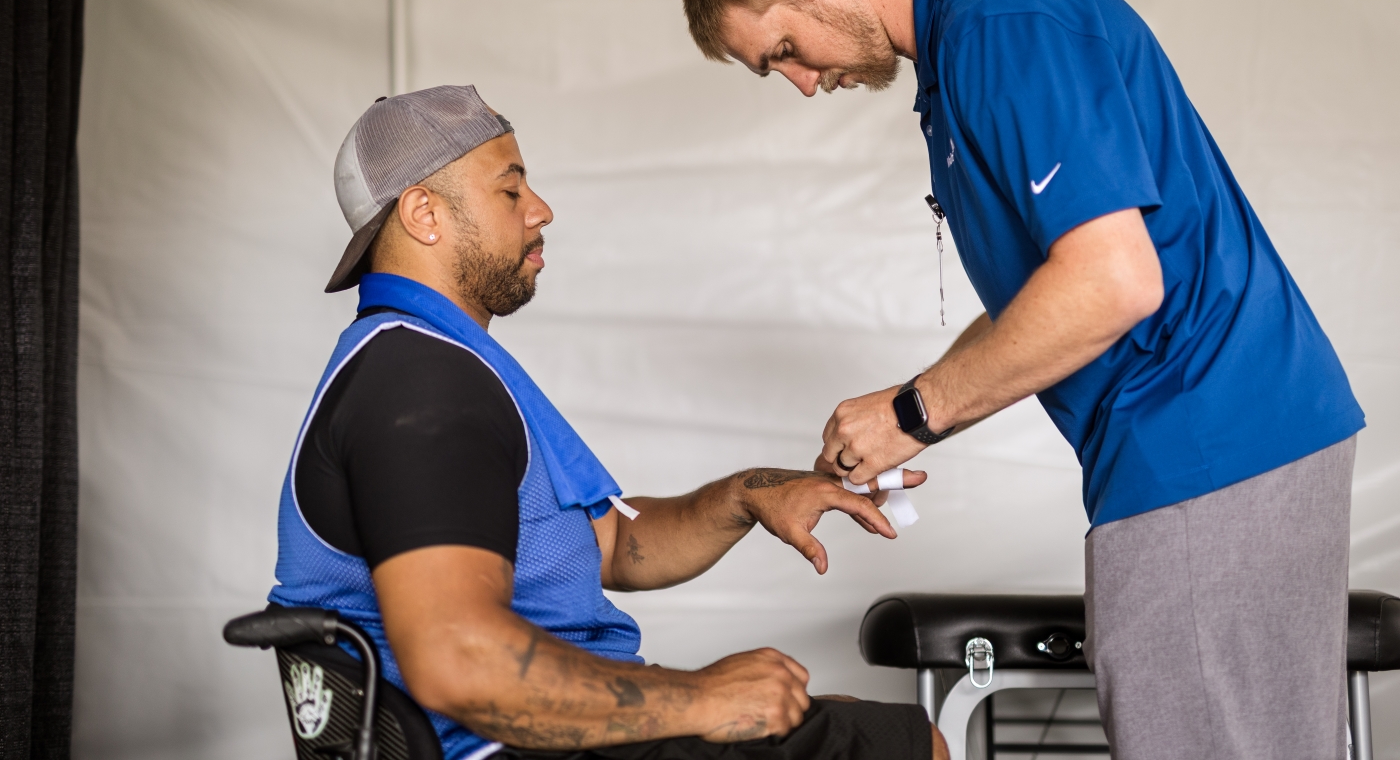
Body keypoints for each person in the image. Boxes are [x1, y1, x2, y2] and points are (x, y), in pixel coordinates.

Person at [681, 0, 1364, 760]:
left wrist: (914, 411)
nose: (805, 83)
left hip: (1207, 436)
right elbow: (1051, 292)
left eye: (782, 50)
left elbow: (1114, 282)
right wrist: (907, 411)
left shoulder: (1003, 24)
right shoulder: (965, 52)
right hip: (1211, 439)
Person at [267, 85, 947, 760]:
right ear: (424, 212)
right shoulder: (418, 384)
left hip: (542, 737)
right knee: (914, 746)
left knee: (847, 720)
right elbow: (459, 661)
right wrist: (704, 698)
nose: (542, 210)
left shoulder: (430, 360)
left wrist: (750, 493)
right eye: (510, 191)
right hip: (514, 747)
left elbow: (611, 543)